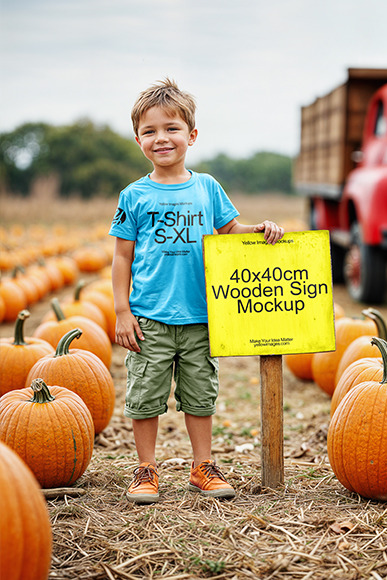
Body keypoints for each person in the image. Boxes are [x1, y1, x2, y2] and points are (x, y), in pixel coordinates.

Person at [109, 78, 284, 504]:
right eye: (150, 131)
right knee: (145, 396)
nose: (161, 138)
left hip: (202, 317)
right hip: (149, 317)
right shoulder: (134, 195)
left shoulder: (207, 187)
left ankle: (202, 466)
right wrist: (121, 311)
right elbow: (122, 258)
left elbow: (230, 232)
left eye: (171, 128)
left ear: (192, 135)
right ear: (138, 140)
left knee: (200, 395)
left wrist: (259, 231)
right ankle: (145, 469)